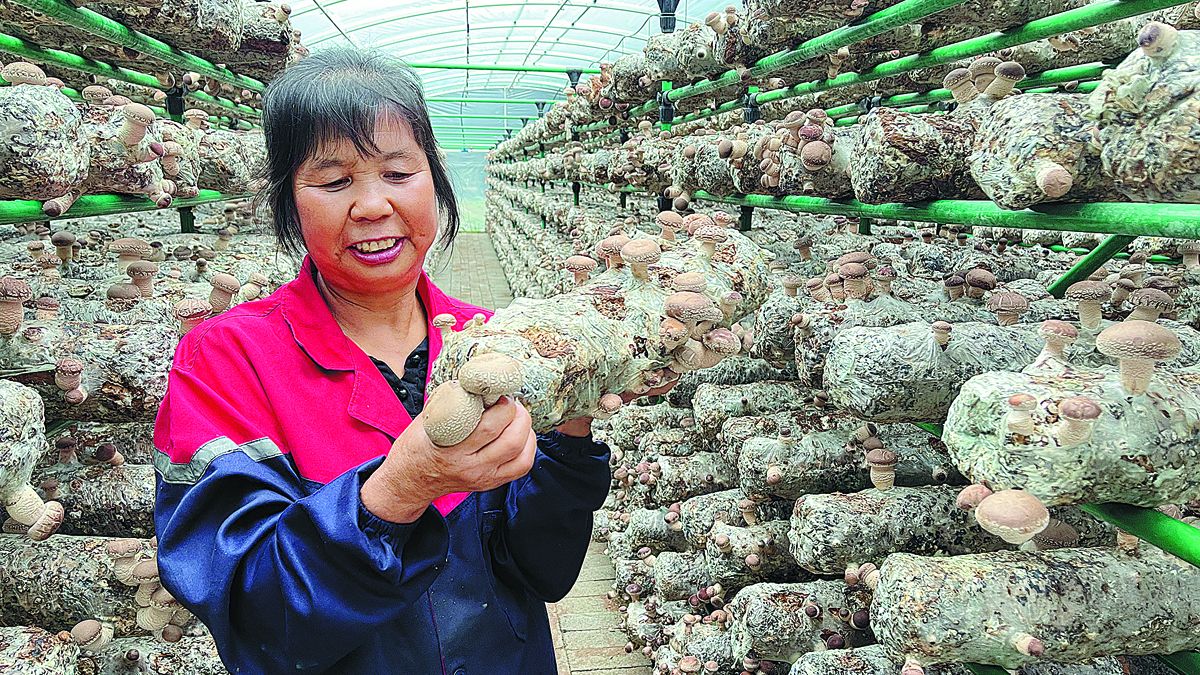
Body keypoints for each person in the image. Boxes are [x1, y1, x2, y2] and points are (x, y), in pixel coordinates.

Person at [153, 48, 668, 674]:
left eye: (398, 173)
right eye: (335, 181)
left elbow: (542, 570)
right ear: (288, 198)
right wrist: (398, 490)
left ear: (435, 178)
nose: (372, 206)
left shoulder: (490, 342)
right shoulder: (226, 361)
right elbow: (255, 612)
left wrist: (570, 427)